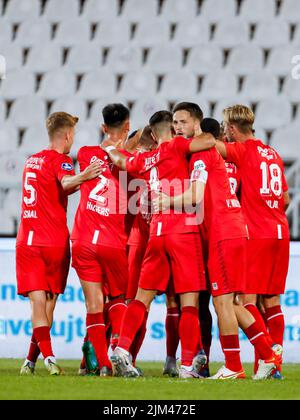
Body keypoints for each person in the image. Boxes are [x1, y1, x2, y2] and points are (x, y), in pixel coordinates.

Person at [155, 103, 282, 380]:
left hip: (224, 233)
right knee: (235, 302)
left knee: (222, 303)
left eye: (183, 122)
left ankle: (234, 366)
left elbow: (196, 196)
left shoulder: (201, 155)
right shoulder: (207, 153)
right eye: (174, 123)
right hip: (235, 229)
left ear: (197, 124)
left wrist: (167, 200)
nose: (177, 128)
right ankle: (268, 354)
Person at [103, 110, 216, 378]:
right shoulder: (177, 145)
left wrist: (109, 148)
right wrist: (195, 130)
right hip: (183, 229)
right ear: (171, 130)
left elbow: (121, 160)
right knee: (189, 300)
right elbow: (209, 141)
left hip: (156, 231)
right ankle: (188, 364)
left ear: (152, 134)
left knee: (142, 297)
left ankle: (120, 349)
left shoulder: (146, 158)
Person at [18, 112, 102, 376]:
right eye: (73, 135)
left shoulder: (31, 161)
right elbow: (66, 182)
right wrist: (86, 175)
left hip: (27, 240)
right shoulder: (62, 160)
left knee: (39, 305)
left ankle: (30, 362)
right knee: (48, 304)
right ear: (67, 135)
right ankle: (50, 358)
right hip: (52, 241)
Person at [215, 105, 290, 378]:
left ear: (232, 129)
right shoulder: (274, 154)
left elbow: (212, 147)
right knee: (272, 301)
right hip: (281, 232)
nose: (225, 132)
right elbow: (286, 199)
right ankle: (272, 364)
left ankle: (268, 357)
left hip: (257, 233)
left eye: (226, 128)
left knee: (246, 301)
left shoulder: (243, 150)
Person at [71, 104, 132, 377]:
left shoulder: (85, 154)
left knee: (94, 305)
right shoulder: (129, 160)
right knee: (118, 298)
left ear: (103, 127)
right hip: (112, 239)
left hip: (83, 239)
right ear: (127, 127)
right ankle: (118, 353)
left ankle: (102, 366)